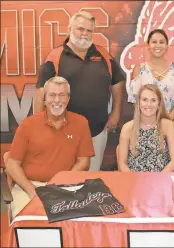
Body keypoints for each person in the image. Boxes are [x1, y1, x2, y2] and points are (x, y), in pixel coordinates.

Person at [34, 11, 125, 171]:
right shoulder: (55, 56)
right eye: (80, 29)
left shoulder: (103, 54)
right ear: (70, 28)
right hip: (63, 132)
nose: (84, 34)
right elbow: (41, 92)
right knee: (65, 178)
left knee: (91, 177)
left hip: (97, 131)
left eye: (89, 30)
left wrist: (116, 112)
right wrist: (40, 127)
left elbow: (117, 82)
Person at [5, 76, 95, 218]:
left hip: (66, 186)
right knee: (28, 221)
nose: (57, 101)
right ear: (44, 99)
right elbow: (12, 163)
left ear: (68, 99)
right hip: (29, 187)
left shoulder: (81, 123)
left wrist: (63, 183)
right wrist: (31, 190)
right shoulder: (27, 125)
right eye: (52, 95)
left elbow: (84, 161)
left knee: (75, 221)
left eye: (61, 95)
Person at [128, 29, 174, 144]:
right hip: (145, 127)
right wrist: (151, 125)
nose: (158, 45)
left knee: (172, 161)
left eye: (161, 42)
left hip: (171, 127)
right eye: (154, 42)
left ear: (167, 45)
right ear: (148, 45)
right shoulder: (139, 69)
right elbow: (135, 102)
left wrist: (165, 125)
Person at [118, 84, 174, 172]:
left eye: (153, 100)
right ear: (138, 103)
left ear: (159, 104)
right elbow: (122, 164)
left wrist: (158, 180)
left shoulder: (167, 125)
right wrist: (133, 181)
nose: (148, 104)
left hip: (161, 180)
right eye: (144, 100)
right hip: (134, 181)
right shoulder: (127, 128)